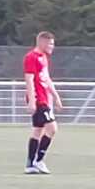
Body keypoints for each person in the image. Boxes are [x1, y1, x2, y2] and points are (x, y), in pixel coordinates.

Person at [23, 31, 63, 174]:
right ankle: (38, 160)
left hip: (44, 98)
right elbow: (29, 80)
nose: (52, 47)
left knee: (38, 130)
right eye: (50, 44)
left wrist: (56, 96)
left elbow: (46, 78)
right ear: (42, 42)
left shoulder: (44, 57)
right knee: (52, 128)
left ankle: (30, 165)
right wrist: (32, 101)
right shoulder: (31, 57)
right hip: (38, 99)